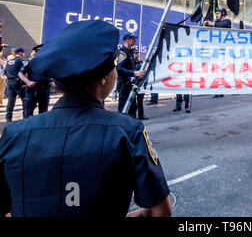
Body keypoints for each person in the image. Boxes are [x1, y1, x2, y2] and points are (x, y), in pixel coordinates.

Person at [0, 19, 171, 217]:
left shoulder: (13, 134)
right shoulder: (127, 132)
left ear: (56, 83)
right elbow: (160, 212)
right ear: (104, 79)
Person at [18, 44, 53, 118]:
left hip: (45, 88)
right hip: (33, 89)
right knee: (28, 111)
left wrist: (53, 82)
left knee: (43, 112)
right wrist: (28, 82)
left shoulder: (48, 62)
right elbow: (20, 73)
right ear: (36, 52)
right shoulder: (30, 62)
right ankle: (27, 127)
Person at [117, 33, 145, 117]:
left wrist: (133, 77)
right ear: (127, 39)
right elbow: (118, 69)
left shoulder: (130, 52)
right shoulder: (122, 52)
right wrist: (133, 73)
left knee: (133, 109)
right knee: (124, 109)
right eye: (133, 39)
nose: (135, 41)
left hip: (130, 85)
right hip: (123, 86)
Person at [4, 47, 26, 122]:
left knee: (10, 101)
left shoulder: (9, 61)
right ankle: (26, 116)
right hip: (17, 82)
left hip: (9, 82)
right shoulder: (19, 61)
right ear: (20, 53)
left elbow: (5, 74)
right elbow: (23, 72)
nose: (24, 54)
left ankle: (8, 117)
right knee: (25, 99)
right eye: (23, 52)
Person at [132, 47, 148, 121]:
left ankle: (141, 115)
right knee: (132, 102)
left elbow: (145, 72)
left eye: (137, 53)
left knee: (140, 102)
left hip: (140, 84)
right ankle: (133, 116)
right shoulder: (131, 63)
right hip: (132, 85)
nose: (136, 54)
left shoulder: (141, 63)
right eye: (135, 53)